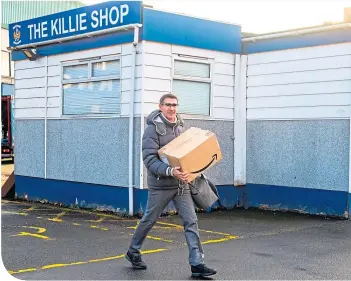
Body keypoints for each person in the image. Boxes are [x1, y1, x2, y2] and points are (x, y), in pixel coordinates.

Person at [125, 93, 217, 277]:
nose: (172, 108)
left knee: (191, 221)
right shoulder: (152, 130)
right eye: (168, 105)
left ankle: (197, 264)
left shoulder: (179, 127)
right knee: (149, 219)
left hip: (180, 185)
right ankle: (133, 251)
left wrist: (191, 170)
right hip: (160, 186)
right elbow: (149, 160)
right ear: (160, 106)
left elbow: (184, 155)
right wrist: (170, 171)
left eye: (174, 105)